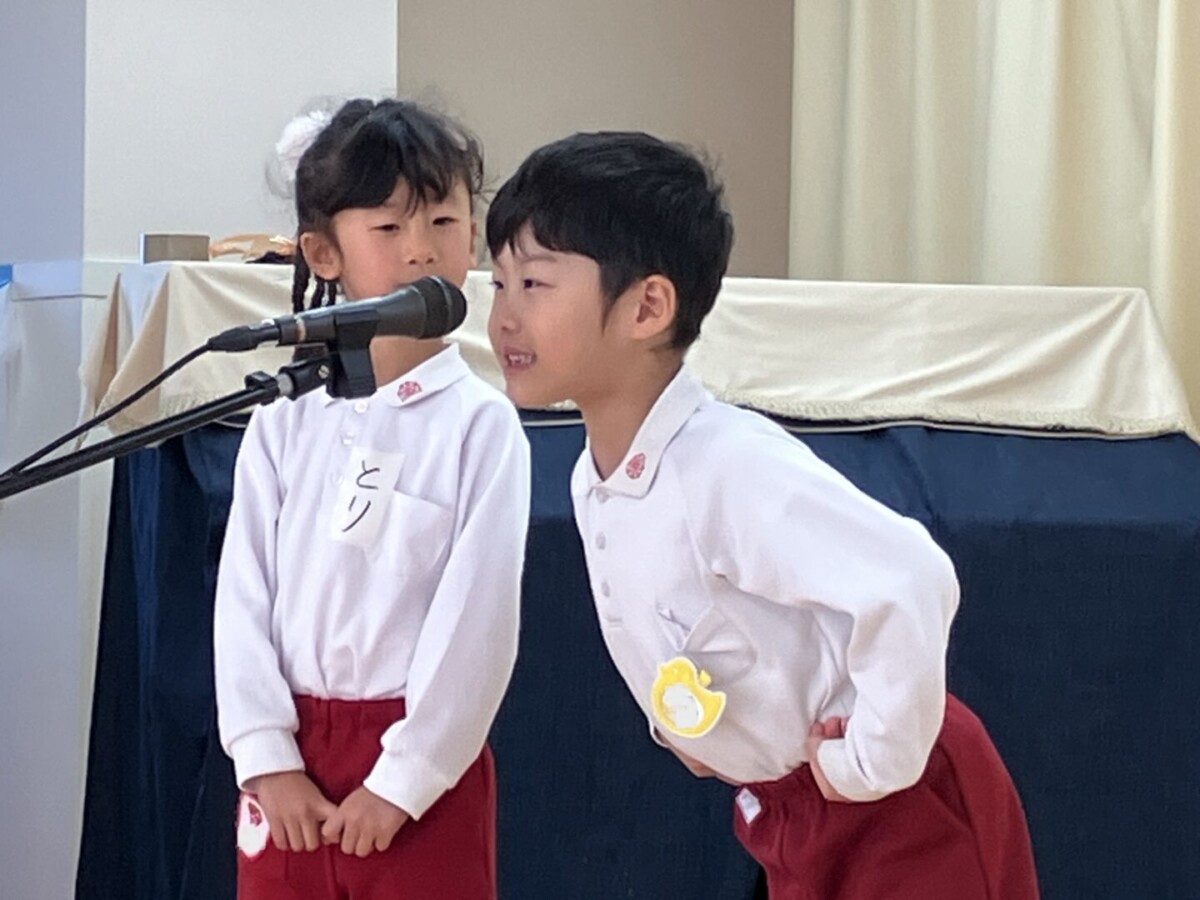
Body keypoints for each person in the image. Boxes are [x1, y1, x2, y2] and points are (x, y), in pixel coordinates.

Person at [485, 130, 1038, 899]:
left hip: (900, 803)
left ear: (648, 306)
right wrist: (688, 732)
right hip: (789, 806)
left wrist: (871, 762)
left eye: (534, 284)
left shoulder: (727, 462)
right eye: (498, 284)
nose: (504, 316)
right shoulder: (593, 479)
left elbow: (912, 576)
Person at [215, 98, 530, 900]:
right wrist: (266, 756)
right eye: (389, 228)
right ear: (324, 252)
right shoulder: (285, 415)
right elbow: (242, 595)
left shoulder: (479, 424)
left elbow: (478, 622)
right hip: (290, 761)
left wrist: (405, 779)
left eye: (444, 222)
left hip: (418, 767)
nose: (421, 249)